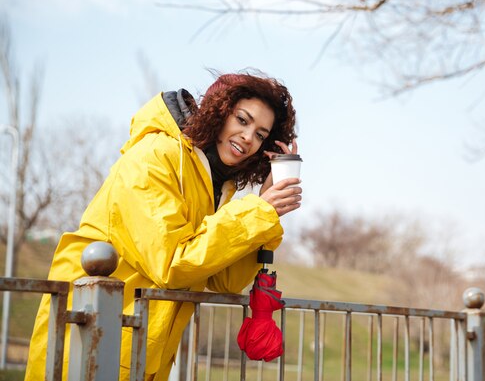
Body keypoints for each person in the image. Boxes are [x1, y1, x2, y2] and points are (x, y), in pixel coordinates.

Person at [25, 72, 302, 380]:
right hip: (89, 343)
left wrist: (265, 208)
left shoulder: (215, 184)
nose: (249, 137)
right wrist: (257, 214)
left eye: (261, 134)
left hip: (137, 351)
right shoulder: (155, 155)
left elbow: (225, 280)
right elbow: (171, 262)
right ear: (217, 111)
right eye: (242, 119)